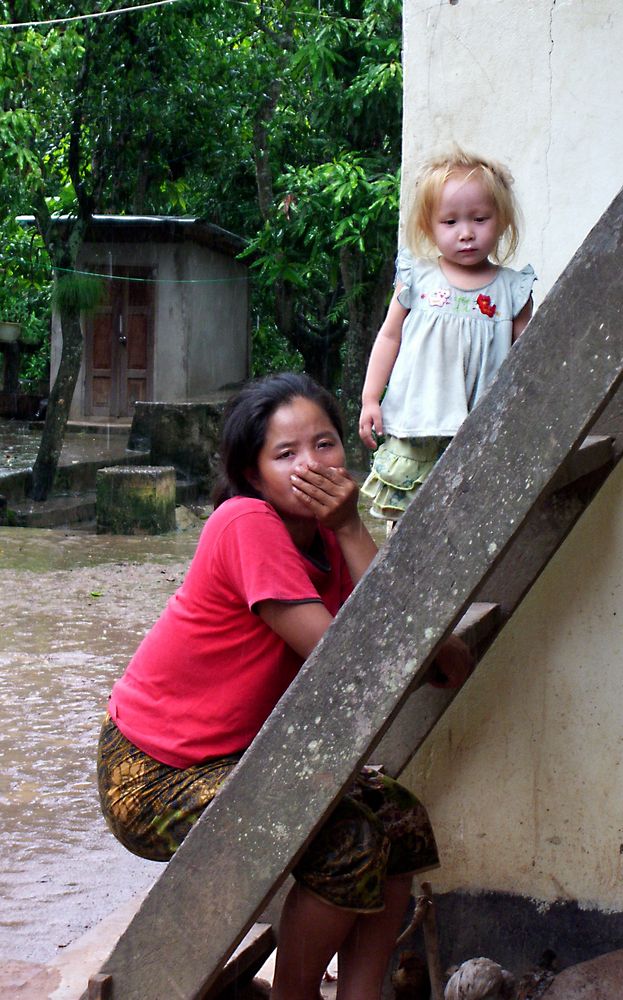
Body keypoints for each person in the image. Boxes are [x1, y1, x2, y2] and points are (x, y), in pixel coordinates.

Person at [96, 372, 472, 1000]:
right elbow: (349, 665)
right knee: (344, 839)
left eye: (324, 444)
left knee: (399, 819)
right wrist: (366, 550)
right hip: (154, 773)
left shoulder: (330, 534)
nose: (311, 465)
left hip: (240, 755)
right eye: (285, 454)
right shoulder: (244, 522)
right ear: (252, 473)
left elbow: (438, 657)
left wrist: (353, 531)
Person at [359, 148, 536, 524]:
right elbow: (390, 337)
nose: (466, 233)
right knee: (409, 522)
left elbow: (527, 362)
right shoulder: (418, 279)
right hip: (418, 423)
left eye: (480, 219)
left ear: (501, 221)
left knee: (472, 519)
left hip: (479, 429)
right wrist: (371, 397)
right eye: (450, 221)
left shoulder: (511, 291)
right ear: (429, 226)